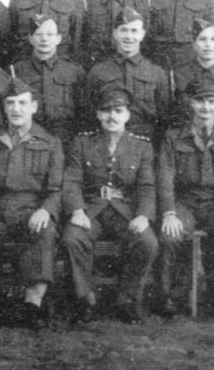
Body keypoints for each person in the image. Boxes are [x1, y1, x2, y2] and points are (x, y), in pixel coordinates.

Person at [0, 78, 64, 328]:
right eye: (10, 103)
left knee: (45, 232)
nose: (16, 109)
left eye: (22, 103)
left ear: (34, 107)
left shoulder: (50, 143)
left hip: (30, 209)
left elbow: (56, 189)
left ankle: (32, 305)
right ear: (4, 107)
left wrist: (45, 210)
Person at [60, 87, 158, 324]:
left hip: (125, 210)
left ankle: (126, 299)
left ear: (127, 115)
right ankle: (85, 299)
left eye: (118, 111)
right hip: (91, 209)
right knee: (72, 238)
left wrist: (144, 216)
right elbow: (72, 180)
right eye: (105, 111)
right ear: (97, 114)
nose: (111, 116)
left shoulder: (141, 146)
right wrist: (77, 210)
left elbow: (146, 186)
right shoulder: (81, 142)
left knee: (147, 242)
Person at [156, 77, 214, 319]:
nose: (206, 107)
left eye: (211, 101)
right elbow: (165, 178)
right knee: (170, 235)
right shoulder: (173, 136)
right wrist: (169, 212)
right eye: (200, 101)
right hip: (184, 202)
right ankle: (171, 296)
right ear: (190, 103)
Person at [84, 6, 171, 143]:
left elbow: (164, 117)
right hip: (107, 140)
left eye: (134, 31)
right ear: (115, 34)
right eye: (123, 30)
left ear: (142, 34)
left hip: (146, 140)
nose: (129, 36)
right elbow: (88, 115)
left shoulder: (156, 73)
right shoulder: (98, 72)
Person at [11, 13, 85, 145]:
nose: (44, 39)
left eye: (50, 35)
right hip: (29, 137)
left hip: (65, 137)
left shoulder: (74, 71)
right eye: (39, 35)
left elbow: (83, 110)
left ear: (58, 39)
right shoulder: (17, 70)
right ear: (30, 39)